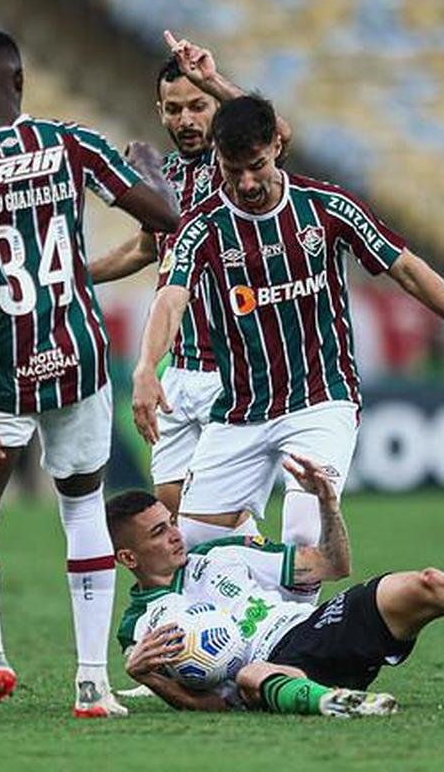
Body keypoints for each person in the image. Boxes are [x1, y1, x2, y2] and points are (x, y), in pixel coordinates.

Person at [131, 95, 444, 553]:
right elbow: (170, 299)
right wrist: (147, 366)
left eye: (256, 166)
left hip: (320, 401)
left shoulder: (327, 206)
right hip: (242, 410)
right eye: (233, 171)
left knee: (302, 533)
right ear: (218, 159)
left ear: (276, 145)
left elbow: (407, 269)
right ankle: (252, 617)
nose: (247, 183)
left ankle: (296, 625)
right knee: (191, 546)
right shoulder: (202, 225)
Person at [0, 29, 180, 722]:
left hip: (5, 368)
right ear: (22, 82)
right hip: (79, 359)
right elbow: (165, 219)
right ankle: (92, 684)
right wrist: (150, 170)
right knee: (82, 510)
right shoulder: (73, 143)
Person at [108, 455, 444, 716]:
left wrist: (328, 506)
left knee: (429, 584)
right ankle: (338, 704)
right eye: (160, 532)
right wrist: (148, 678)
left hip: (312, 630)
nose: (176, 534)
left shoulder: (221, 555)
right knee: (250, 674)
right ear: (129, 556)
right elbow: (212, 707)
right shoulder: (140, 628)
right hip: (276, 672)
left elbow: (333, 566)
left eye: (172, 522)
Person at [91, 32, 303, 539]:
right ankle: (224, 608)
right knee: (173, 524)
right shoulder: (161, 178)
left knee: (219, 523)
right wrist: (72, 275)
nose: (185, 119)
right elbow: (146, 250)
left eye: (197, 105)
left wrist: (214, 80)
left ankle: (271, 608)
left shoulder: (237, 168)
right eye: (173, 109)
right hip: (179, 368)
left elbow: (280, 134)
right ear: (159, 111)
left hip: (236, 369)